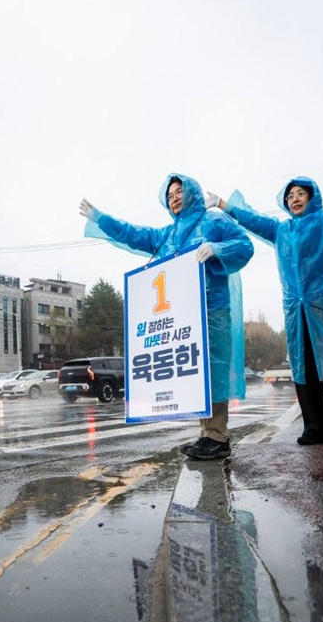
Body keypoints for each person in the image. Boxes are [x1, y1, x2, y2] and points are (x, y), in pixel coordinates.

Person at [206, 126, 323, 445]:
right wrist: (224, 204)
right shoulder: (282, 231)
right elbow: (253, 220)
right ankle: (313, 427)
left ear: (311, 197)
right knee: (304, 368)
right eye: (290, 196)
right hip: (297, 311)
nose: (295, 199)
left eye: (300, 194)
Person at [80, 173, 254, 460]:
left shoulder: (214, 221)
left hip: (212, 308)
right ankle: (207, 434)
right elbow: (134, 234)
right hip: (183, 313)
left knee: (214, 371)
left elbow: (245, 245)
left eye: (179, 192)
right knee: (197, 374)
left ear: (192, 193)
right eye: (170, 194)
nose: (174, 198)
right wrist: (101, 218)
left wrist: (216, 249)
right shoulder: (169, 234)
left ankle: (217, 436)